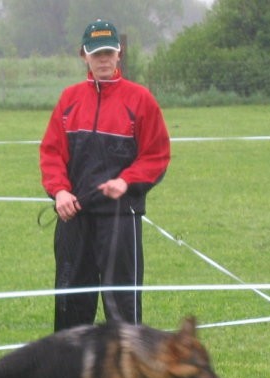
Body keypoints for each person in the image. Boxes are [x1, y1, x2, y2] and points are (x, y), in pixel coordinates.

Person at [39, 19, 170, 331]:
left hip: (120, 217)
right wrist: (59, 191)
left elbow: (157, 155)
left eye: (109, 53)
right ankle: (69, 374)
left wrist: (127, 181)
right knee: (71, 302)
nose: (103, 60)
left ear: (119, 54)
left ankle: (125, 373)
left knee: (122, 304)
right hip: (74, 216)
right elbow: (52, 153)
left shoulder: (140, 100)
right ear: (83, 55)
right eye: (96, 53)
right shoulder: (68, 100)